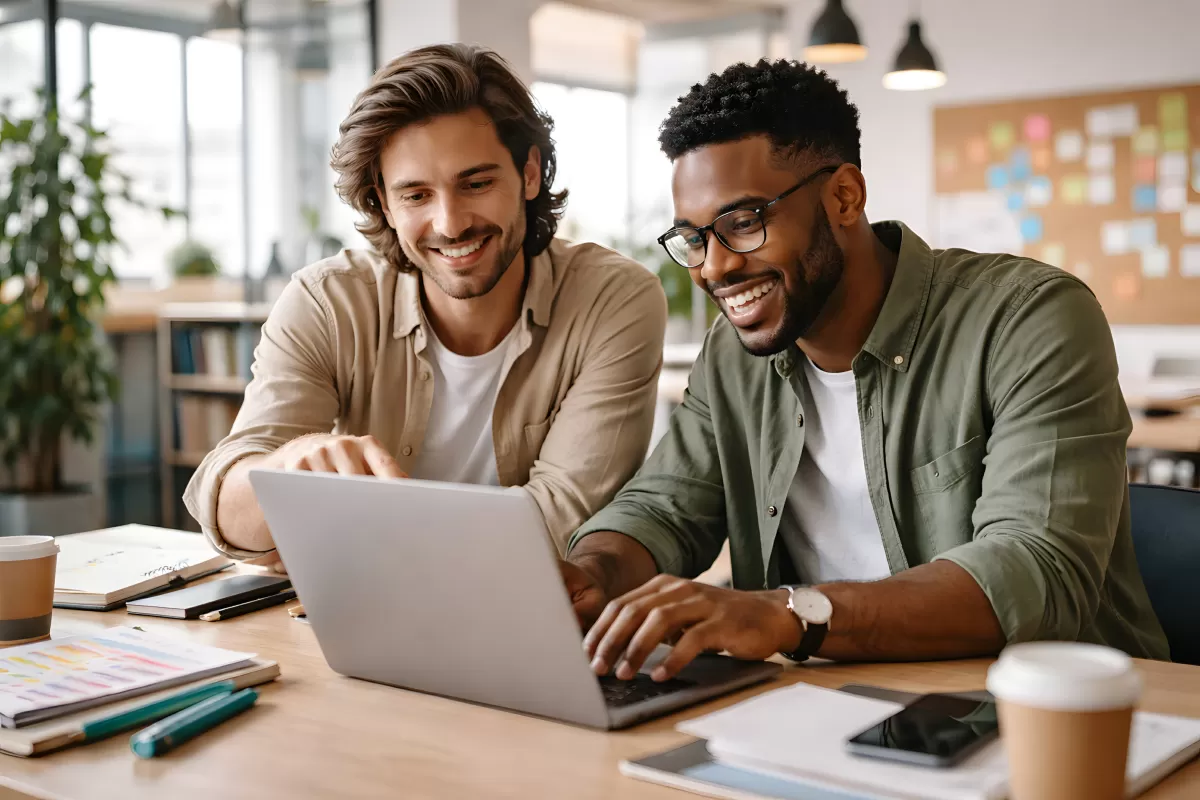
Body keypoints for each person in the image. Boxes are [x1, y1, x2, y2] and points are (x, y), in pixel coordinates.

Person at [562, 58, 1169, 684]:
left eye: (743, 223)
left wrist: (791, 616)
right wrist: (593, 574)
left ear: (844, 196)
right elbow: (665, 507)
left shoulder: (1027, 318)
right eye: (693, 238)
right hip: (819, 703)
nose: (712, 268)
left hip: (1046, 713)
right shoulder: (733, 356)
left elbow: (1035, 570)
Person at [184, 44, 667, 561]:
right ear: (384, 202)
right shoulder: (326, 301)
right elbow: (226, 509)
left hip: (529, 617)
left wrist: (344, 531)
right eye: (416, 195)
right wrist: (286, 469)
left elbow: (561, 521)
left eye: (476, 183)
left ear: (528, 173)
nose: (450, 223)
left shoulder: (614, 299)